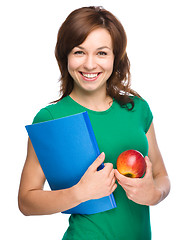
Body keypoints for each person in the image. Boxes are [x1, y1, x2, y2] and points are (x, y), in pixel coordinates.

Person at [18, 6, 170, 239]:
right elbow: (27, 201)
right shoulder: (50, 118)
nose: (90, 65)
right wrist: (80, 193)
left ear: (115, 57)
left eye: (101, 53)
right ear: (65, 56)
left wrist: (154, 194)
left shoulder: (137, 109)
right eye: (79, 52)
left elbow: (161, 175)